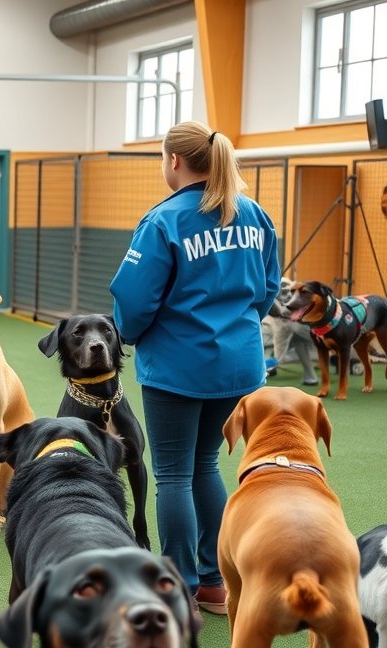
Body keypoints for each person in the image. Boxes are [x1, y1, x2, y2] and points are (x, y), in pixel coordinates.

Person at [108, 121, 281, 616]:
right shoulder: (253, 213)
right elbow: (268, 289)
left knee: (174, 476)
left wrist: (131, 334)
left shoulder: (164, 221)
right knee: (206, 464)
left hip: (178, 370)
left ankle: (179, 586)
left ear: (174, 162)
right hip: (239, 366)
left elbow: (135, 303)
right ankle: (214, 582)